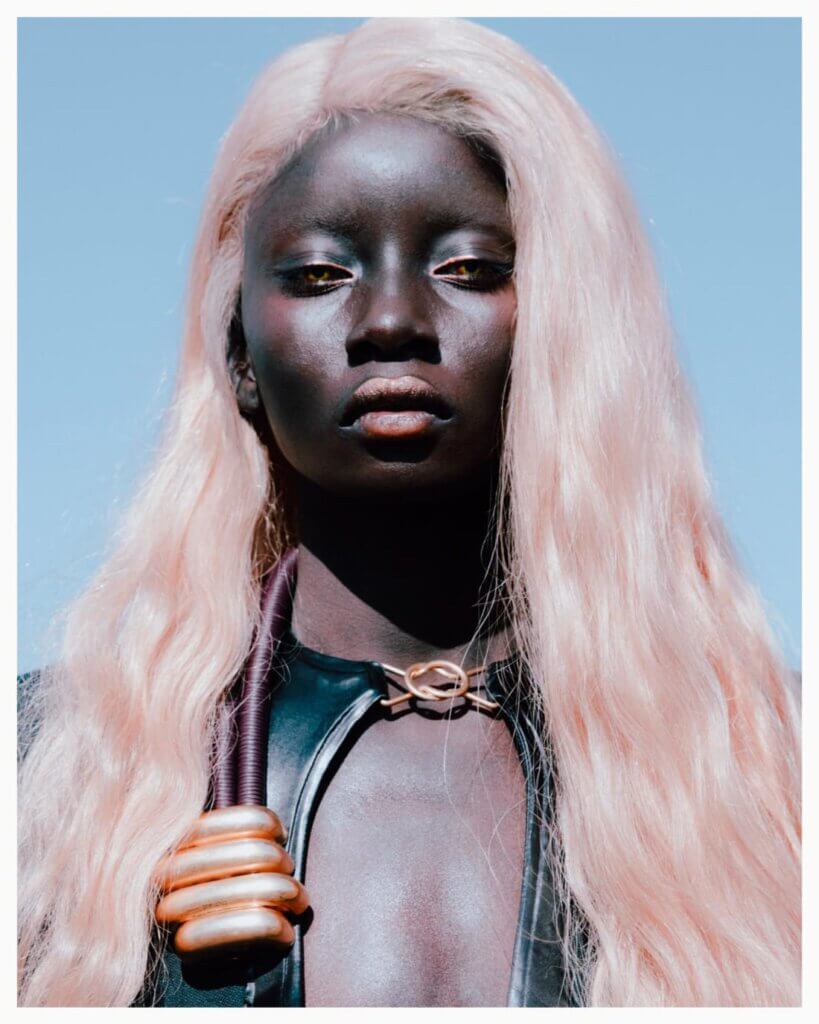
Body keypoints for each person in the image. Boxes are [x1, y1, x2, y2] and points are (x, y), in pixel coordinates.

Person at [17, 18, 801, 1008]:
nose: (390, 320)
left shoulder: (769, 769)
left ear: (569, 324)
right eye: (317, 274)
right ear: (240, 356)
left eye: (468, 267)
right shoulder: (52, 779)